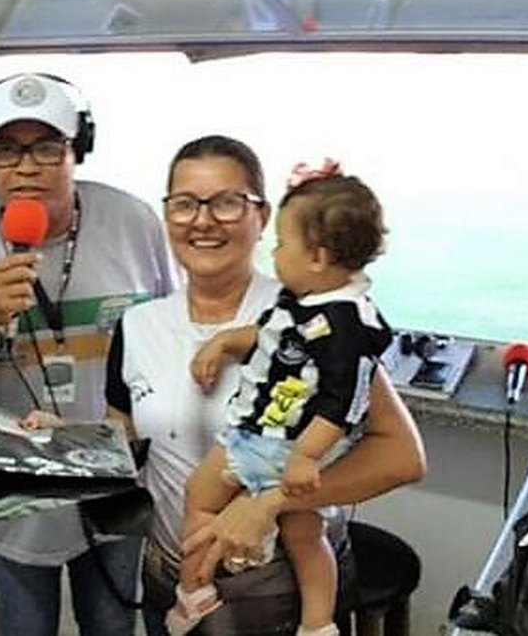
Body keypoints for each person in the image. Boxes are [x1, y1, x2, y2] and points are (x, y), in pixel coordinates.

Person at [104, 135, 426, 636]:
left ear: (262, 217)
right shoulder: (138, 325)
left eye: (227, 202)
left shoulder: (310, 311)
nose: (203, 220)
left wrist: (269, 503)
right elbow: (123, 438)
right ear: (167, 215)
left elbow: (403, 458)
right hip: (174, 579)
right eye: (184, 204)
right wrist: (57, 440)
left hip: (283, 593)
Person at [0, 72, 173, 636]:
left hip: (113, 478)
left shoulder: (134, 222)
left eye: (48, 147)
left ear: (79, 151)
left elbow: (165, 344)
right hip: (11, 487)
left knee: (112, 624)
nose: (26, 167)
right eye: (6, 150)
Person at [168, 161, 394, 636]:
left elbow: (344, 397)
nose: (276, 253)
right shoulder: (305, 301)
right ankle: (210, 593)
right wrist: (228, 341)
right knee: (252, 515)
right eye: (184, 203)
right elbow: (279, 340)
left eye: (282, 244)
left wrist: (307, 456)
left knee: (289, 531)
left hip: (284, 448)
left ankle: (305, 621)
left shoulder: (346, 324)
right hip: (261, 437)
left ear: (318, 256)